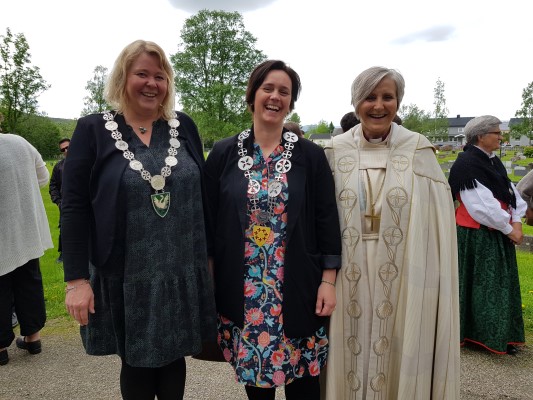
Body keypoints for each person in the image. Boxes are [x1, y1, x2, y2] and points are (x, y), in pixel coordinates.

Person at [61, 40, 216, 399]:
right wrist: (75, 281)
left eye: (160, 76)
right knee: (136, 361)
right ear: (123, 78)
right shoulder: (93, 129)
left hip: (180, 270)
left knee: (175, 354)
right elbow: (74, 207)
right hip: (126, 274)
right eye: (142, 74)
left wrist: (210, 259)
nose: (151, 84)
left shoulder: (183, 126)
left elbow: (204, 197)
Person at [204, 59, 342, 400]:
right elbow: (207, 221)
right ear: (253, 94)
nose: (275, 97)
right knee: (257, 388)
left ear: (291, 102)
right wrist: (209, 282)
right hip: (245, 292)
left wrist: (328, 281)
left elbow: (326, 219)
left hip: (297, 287)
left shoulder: (310, 156)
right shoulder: (223, 153)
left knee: (304, 387)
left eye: (284, 91)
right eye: (268, 88)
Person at [324, 66, 460, 399]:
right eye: (369, 97)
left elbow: (436, 225)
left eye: (388, 97)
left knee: (402, 339)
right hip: (346, 270)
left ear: (398, 102)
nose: (378, 105)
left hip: (406, 272)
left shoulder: (418, 151)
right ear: (356, 102)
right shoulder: (334, 152)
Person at [448, 115, 526, 355]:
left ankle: (501, 335)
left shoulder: (492, 161)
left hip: (498, 233)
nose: (501, 137)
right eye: (497, 133)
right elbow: (481, 207)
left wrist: (516, 221)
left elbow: (511, 193)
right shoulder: (467, 164)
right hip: (477, 236)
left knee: (499, 286)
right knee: (482, 287)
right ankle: (480, 336)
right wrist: (509, 229)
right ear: (481, 136)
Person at [0, 133, 53, 366]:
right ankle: (33, 339)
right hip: (26, 228)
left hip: (4, 232)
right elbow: (43, 177)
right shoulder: (19, 142)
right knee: (29, 282)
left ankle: (1, 348)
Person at [49, 137, 70, 263]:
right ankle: (63, 254)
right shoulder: (59, 167)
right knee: (64, 228)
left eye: (68, 147)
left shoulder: (85, 163)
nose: (66, 150)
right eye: (63, 149)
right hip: (65, 203)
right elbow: (53, 185)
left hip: (84, 202)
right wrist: (58, 201)